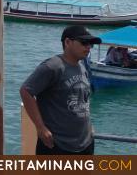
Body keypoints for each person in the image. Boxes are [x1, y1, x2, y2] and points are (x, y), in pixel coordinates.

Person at [20, 25, 101, 155]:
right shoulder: (53, 67)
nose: (89, 47)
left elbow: (83, 99)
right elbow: (26, 91)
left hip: (85, 144)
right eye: (84, 42)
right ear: (67, 42)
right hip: (57, 146)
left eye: (91, 44)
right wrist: (41, 128)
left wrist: (89, 128)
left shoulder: (83, 67)